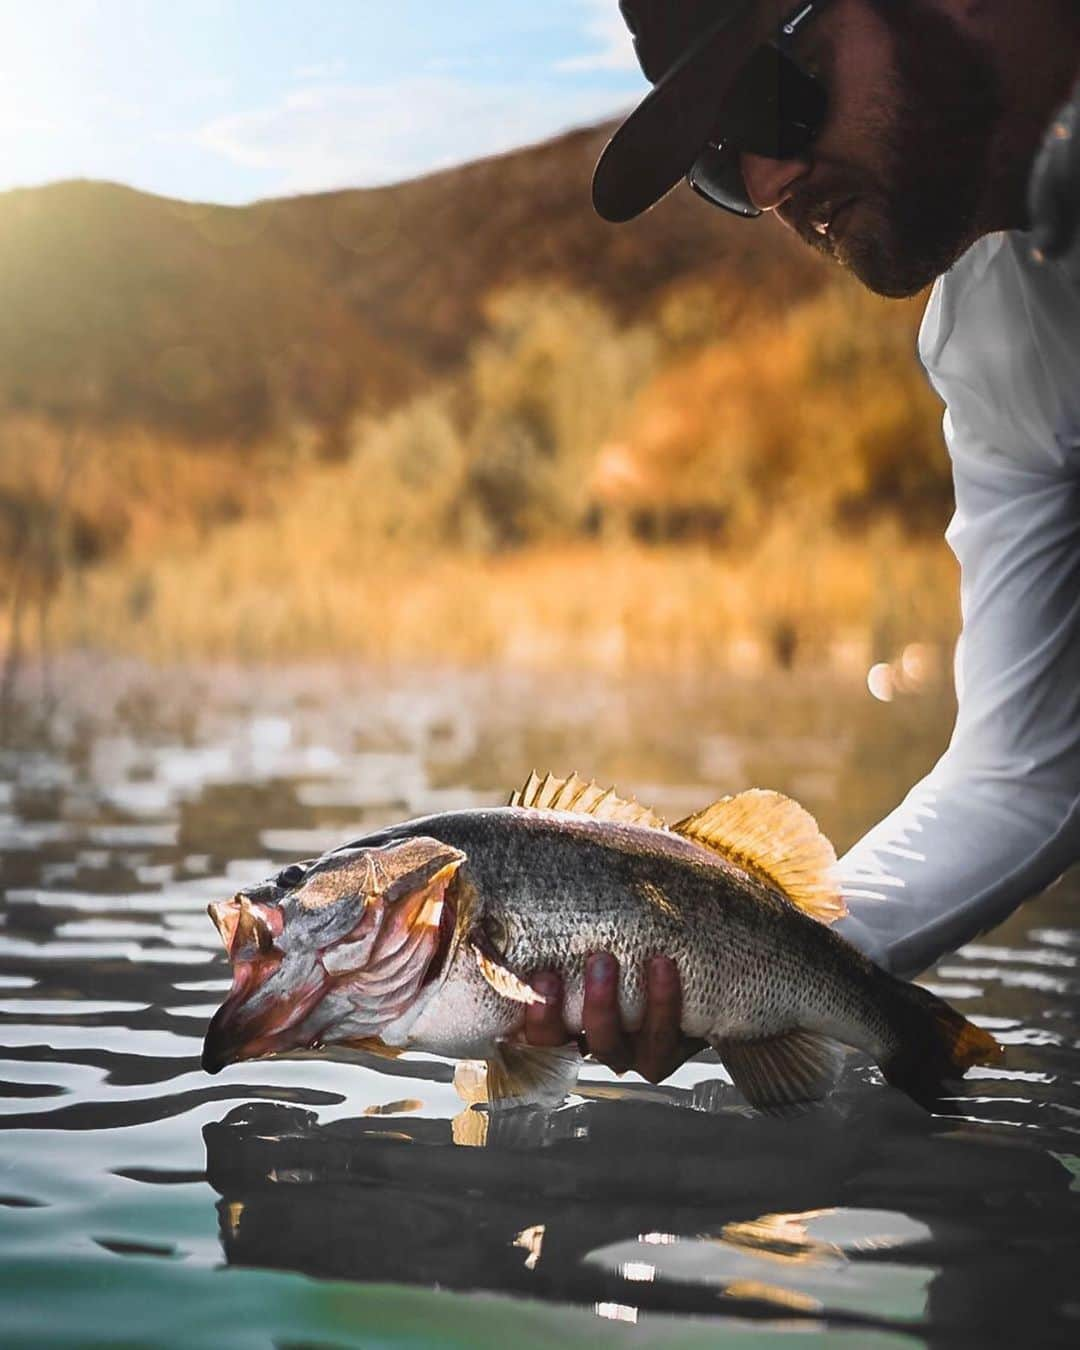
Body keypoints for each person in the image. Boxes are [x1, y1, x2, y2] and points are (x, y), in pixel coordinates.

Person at [524, 0, 1080, 1083]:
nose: (773, 183)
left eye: (769, 95)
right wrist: (736, 962)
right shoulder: (995, 339)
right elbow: (1026, 775)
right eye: (723, 168)